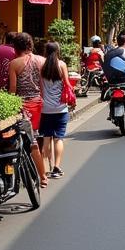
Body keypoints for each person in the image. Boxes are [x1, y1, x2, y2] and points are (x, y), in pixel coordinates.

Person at [7, 33, 48, 188]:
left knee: (31, 142)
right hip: (40, 104)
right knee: (38, 139)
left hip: (23, 106)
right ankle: (42, 174)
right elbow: (45, 87)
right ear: (30, 45)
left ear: (16, 47)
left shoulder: (15, 64)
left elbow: (12, 90)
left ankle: (42, 176)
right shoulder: (42, 61)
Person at [39, 41, 71, 179]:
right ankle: (56, 168)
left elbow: (40, 87)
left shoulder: (42, 66)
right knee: (58, 138)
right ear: (58, 51)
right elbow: (67, 84)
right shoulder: (62, 65)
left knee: (46, 137)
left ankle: (46, 167)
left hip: (45, 108)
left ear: (46, 51)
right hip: (61, 108)